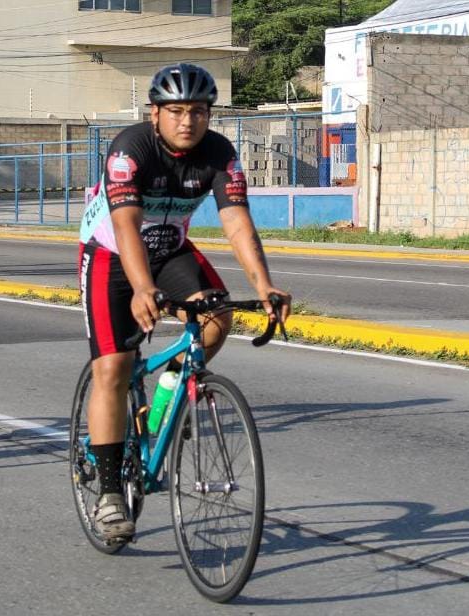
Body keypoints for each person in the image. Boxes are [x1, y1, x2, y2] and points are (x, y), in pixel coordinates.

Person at [78, 64, 291, 542]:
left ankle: (170, 394)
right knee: (112, 369)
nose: (188, 120)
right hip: (112, 254)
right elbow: (128, 226)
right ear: (155, 113)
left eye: (198, 111)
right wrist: (140, 288)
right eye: (176, 111)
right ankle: (111, 494)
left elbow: (237, 223)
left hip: (169, 247)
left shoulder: (220, 153)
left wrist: (265, 285)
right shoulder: (129, 150)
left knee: (217, 318)